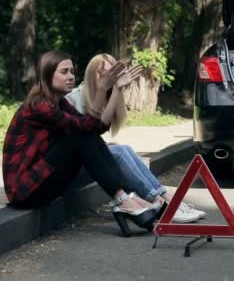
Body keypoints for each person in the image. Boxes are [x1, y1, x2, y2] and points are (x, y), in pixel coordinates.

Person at [2, 50, 156, 237]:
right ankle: (123, 199)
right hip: (26, 191)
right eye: (64, 72)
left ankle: (126, 197)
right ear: (47, 74)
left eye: (72, 72)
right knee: (78, 137)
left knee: (87, 135)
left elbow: (94, 128)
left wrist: (114, 89)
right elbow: (85, 128)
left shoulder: (60, 103)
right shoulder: (39, 105)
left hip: (44, 180)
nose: (70, 77)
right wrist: (101, 89)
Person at [65, 53, 206, 223]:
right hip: (68, 171)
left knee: (123, 149)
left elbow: (97, 130)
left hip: (88, 163)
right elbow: (80, 140)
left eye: (112, 72)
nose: (107, 77)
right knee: (117, 152)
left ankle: (165, 197)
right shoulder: (74, 99)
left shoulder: (106, 96)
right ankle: (159, 202)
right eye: (101, 73)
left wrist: (117, 90)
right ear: (90, 74)